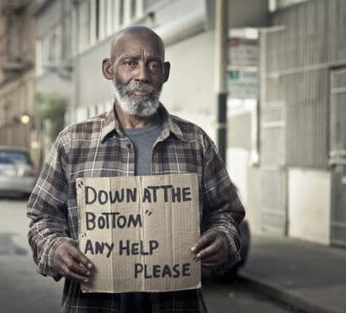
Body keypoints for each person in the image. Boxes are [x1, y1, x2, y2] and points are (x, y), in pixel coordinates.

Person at [27, 26, 245, 313]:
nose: (142, 75)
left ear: (165, 72)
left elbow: (227, 211)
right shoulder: (73, 142)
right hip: (93, 306)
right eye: (130, 63)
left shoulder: (195, 142)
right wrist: (54, 248)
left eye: (153, 64)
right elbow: (42, 217)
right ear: (109, 69)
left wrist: (224, 238)